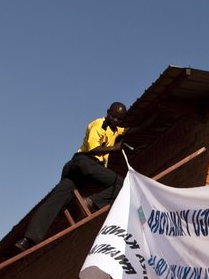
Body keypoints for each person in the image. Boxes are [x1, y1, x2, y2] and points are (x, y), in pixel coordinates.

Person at [15, 102, 136, 251]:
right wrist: (115, 148)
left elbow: (133, 130)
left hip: (79, 173)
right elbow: (93, 149)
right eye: (113, 116)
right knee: (122, 183)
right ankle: (90, 202)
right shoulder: (98, 124)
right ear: (107, 112)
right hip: (84, 162)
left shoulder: (116, 129)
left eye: (119, 119)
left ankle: (27, 239)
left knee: (56, 198)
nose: (115, 120)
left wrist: (154, 116)